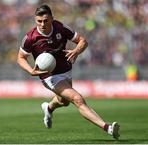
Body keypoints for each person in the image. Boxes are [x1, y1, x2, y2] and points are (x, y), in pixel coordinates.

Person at [17, 4, 120, 140]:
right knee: (77, 99)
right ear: (35, 20)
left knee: (63, 101)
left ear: (52, 19)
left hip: (66, 69)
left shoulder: (61, 28)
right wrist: (30, 70)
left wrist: (77, 50)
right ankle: (108, 128)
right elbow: (20, 57)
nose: (42, 24)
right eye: (39, 21)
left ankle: (48, 108)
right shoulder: (30, 37)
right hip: (49, 76)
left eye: (46, 20)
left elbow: (83, 41)